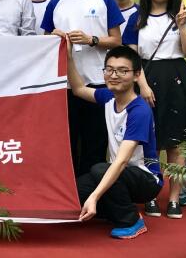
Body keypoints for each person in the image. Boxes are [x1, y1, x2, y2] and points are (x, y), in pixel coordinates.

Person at [122, 0, 186, 219]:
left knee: (176, 144)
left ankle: (175, 198)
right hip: (146, 79)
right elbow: (132, 58)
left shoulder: (181, 14)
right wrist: (142, 85)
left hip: (177, 80)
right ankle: (151, 195)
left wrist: (183, 25)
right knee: (150, 144)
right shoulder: (137, 17)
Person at [42, 0, 123, 176]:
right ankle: (70, 191)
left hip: (98, 85)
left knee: (95, 146)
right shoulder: (55, 3)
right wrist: (54, 38)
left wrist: (91, 40)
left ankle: (92, 192)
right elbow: (45, 43)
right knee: (67, 145)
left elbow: (117, 41)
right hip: (65, 87)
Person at [68, 45, 163, 240]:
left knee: (99, 169)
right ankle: (112, 209)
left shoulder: (139, 111)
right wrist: (68, 56)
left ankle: (131, 220)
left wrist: (95, 196)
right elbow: (78, 89)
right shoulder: (109, 97)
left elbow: (121, 161)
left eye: (122, 71)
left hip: (145, 179)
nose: (114, 75)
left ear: (137, 75)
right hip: (119, 173)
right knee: (72, 195)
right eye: (109, 70)